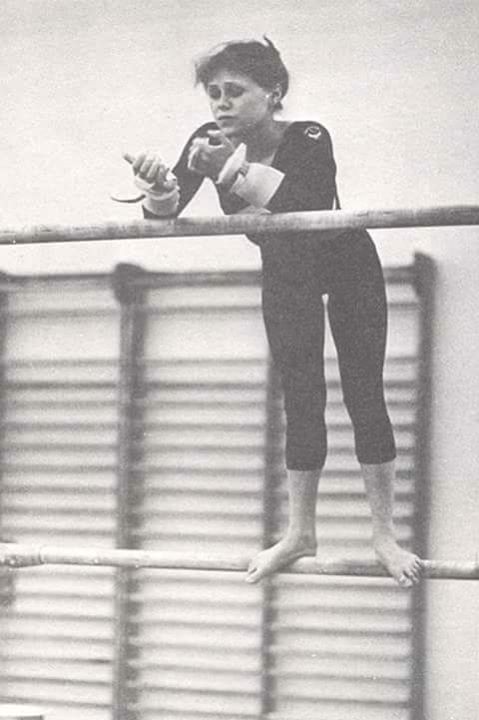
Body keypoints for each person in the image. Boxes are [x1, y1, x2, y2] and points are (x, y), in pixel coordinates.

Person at [122, 37, 423, 587]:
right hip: (287, 271)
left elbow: (307, 206)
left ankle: (384, 534)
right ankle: (301, 532)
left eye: (235, 92)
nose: (221, 104)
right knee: (301, 400)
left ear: (273, 93)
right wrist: (159, 186)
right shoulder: (208, 140)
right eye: (214, 93)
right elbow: (160, 218)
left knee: (364, 395)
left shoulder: (309, 137)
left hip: (346, 262)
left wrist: (232, 172)